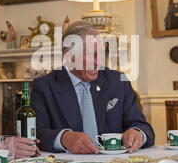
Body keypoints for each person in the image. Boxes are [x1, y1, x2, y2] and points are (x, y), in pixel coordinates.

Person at [32, 21, 155, 154]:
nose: (99, 62)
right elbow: (36, 134)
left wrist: (138, 133)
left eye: (101, 54)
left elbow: (142, 126)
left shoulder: (119, 82)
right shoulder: (44, 87)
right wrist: (63, 138)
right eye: (92, 55)